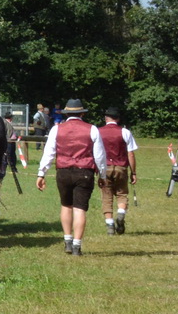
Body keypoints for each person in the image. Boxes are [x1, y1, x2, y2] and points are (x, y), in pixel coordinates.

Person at [36, 98, 107, 255]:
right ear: (82, 113)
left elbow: (49, 153)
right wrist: (103, 175)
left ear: (66, 113)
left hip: (63, 171)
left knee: (66, 205)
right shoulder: (92, 129)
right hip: (85, 172)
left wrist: (42, 173)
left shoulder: (56, 129)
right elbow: (100, 156)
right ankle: (77, 245)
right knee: (80, 209)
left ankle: (67, 241)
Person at [97, 107, 138, 235]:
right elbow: (130, 154)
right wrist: (133, 172)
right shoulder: (125, 132)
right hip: (121, 168)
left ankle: (110, 225)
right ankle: (120, 214)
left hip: (105, 168)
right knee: (122, 194)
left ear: (105, 118)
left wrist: (97, 170)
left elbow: (96, 153)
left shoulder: (98, 132)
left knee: (106, 196)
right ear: (118, 119)